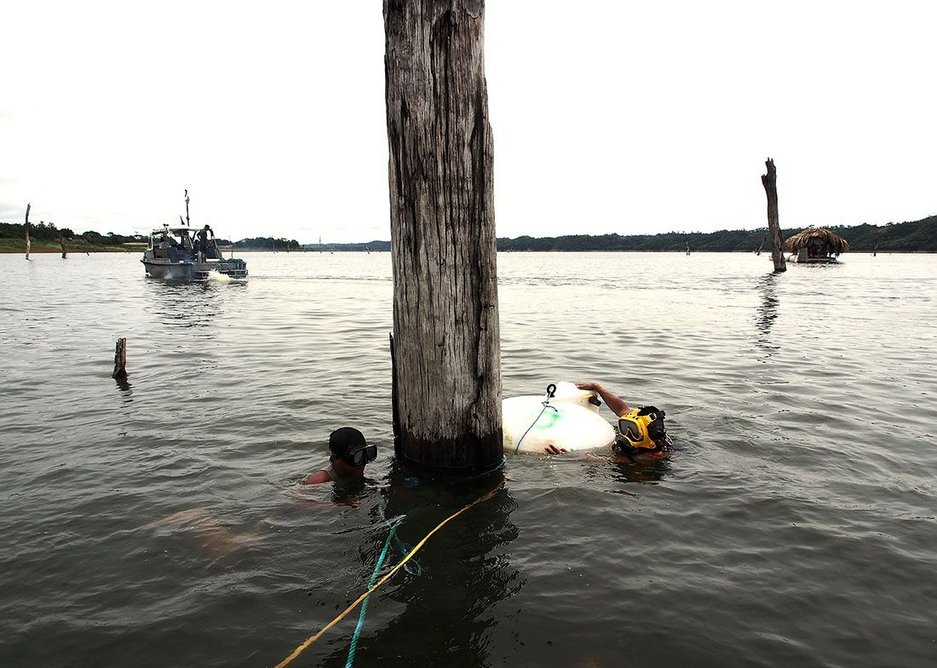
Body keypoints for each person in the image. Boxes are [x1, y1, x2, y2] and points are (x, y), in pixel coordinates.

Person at [558, 381, 671, 462]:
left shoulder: (653, 455)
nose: (627, 434)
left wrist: (568, 453)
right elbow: (621, 409)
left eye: (634, 431)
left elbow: (598, 460)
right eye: (626, 426)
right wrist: (597, 387)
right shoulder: (645, 441)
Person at [302, 427, 376, 485]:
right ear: (335, 459)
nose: (363, 463)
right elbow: (299, 501)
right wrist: (340, 504)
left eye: (365, 455)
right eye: (357, 457)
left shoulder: (365, 471)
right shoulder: (320, 480)